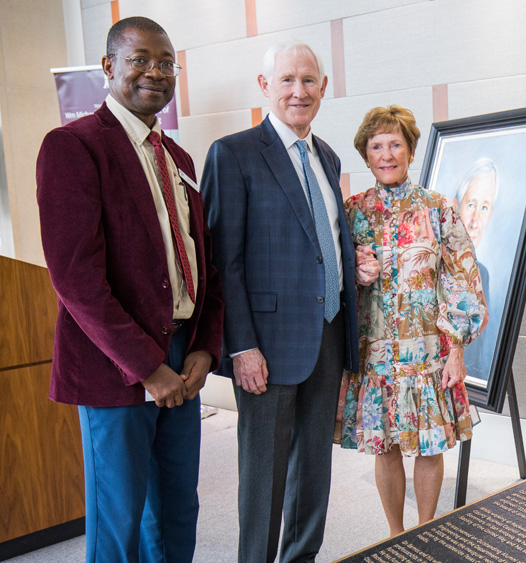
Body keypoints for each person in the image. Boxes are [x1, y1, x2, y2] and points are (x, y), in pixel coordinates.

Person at [36, 16, 224, 562]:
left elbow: (201, 265)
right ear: (108, 67)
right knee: (120, 521)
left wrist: (205, 348)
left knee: (176, 512)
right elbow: (75, 277)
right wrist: (148, 367)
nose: (155, 73)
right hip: (115, 365)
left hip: (183, 356)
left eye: (166, 63)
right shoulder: (73, 147)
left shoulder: (180, 161)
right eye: (139, 59)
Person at [200, 40, 360, 562]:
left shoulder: (328, 156)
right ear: (265, 86)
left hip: (327, 334)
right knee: (263, 475)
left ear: (324, 88)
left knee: (315, 467)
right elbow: (223, 262)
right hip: (265, 347)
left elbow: (323, 244)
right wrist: (240, 345)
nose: (299, 90)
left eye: (309, 80)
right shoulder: (234, 153)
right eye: (286, 80)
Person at [342, 105, 487, 536]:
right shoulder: (352, 212)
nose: (386, 154)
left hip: (428, 353)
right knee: (384, 446)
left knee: (429, 446)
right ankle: (395, 533)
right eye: (376, 146)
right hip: (376, 355)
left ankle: (425, 530)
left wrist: (457, 348)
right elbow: (328, 278)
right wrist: (354, 272)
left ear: (410, 151)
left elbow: (463, 276)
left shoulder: (438, 208)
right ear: (366, 156)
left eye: (395, 145)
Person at [454, 158, 499, 381]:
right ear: (455, 206)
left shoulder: (483, 275)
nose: (475, 221)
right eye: (471, 205)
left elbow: (478, 357)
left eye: (484, 208)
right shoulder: (430, 266)